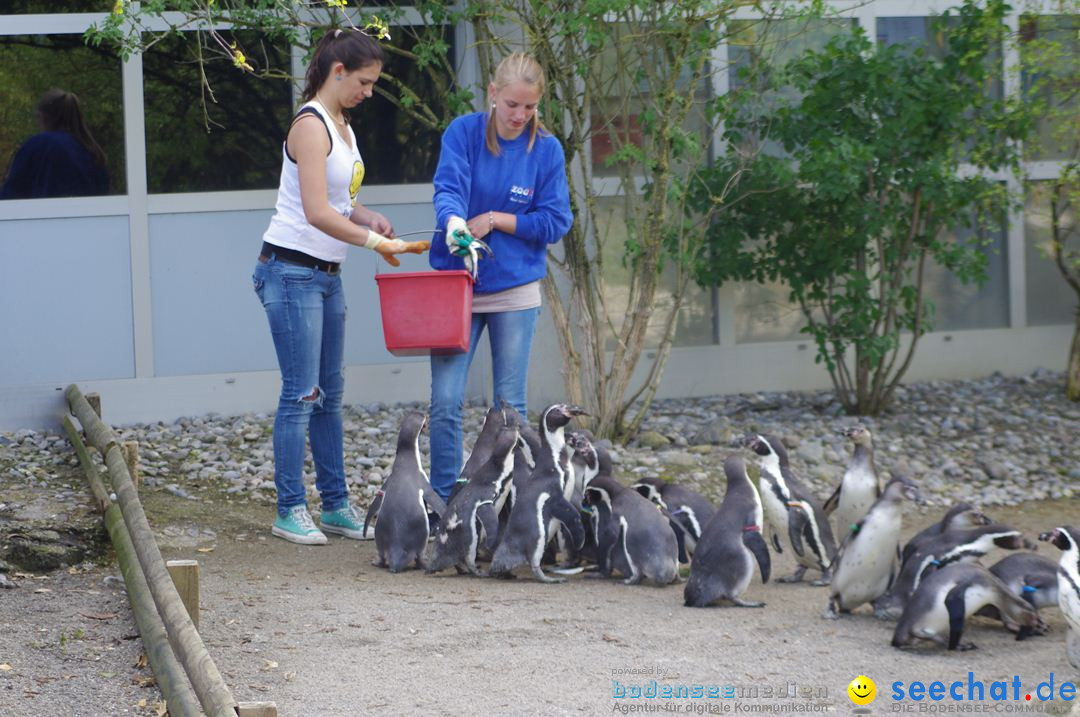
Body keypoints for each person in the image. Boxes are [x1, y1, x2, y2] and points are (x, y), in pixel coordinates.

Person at [254, 28, 426, 545]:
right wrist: (377, 244)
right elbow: (314, 211)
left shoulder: (344, 126)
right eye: (365, 82)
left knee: (329, 396)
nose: (369, 92)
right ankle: (289, 508)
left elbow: (339, 203)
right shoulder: (310, 125)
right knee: (300, 393)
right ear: (337, 72)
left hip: (326, 276)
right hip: (290, 273)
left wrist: (367, 216)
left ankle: (335, 505)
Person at [427, 52, 574, 501]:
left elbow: (555, 221)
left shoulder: (545, 149)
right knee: (446, 402)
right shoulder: (464, 133)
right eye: (512, 104)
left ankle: (504, 500)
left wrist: (495, 219)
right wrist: (454, 222)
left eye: (530, 107)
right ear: (492, 94)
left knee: (509, 408)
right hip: (458, 287)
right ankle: (444, 500)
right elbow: (448, 188)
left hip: (515, 290)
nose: (520, 115)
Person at [0, 89, 109, 199]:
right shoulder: (92, 152)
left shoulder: (37, 145)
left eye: (37, 117)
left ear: (44, 117)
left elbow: (10, 195)